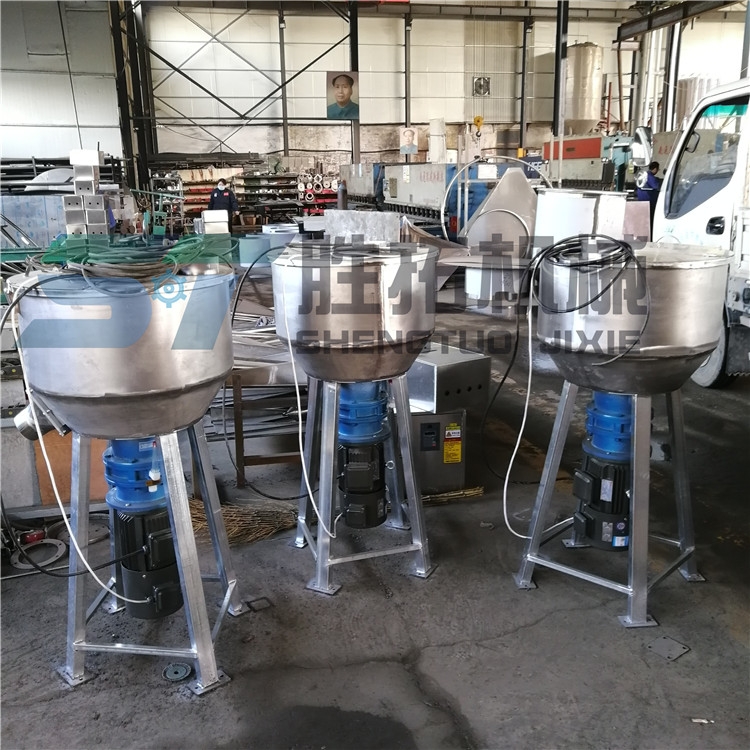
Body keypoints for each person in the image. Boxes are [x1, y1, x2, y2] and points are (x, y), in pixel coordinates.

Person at [636, 160, 661, 232]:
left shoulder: (643, 175)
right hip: (649, 200)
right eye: (658, 169)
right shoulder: (650, 177)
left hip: (641, 200)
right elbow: (656, 186)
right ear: (655, 169)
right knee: (650, 218)